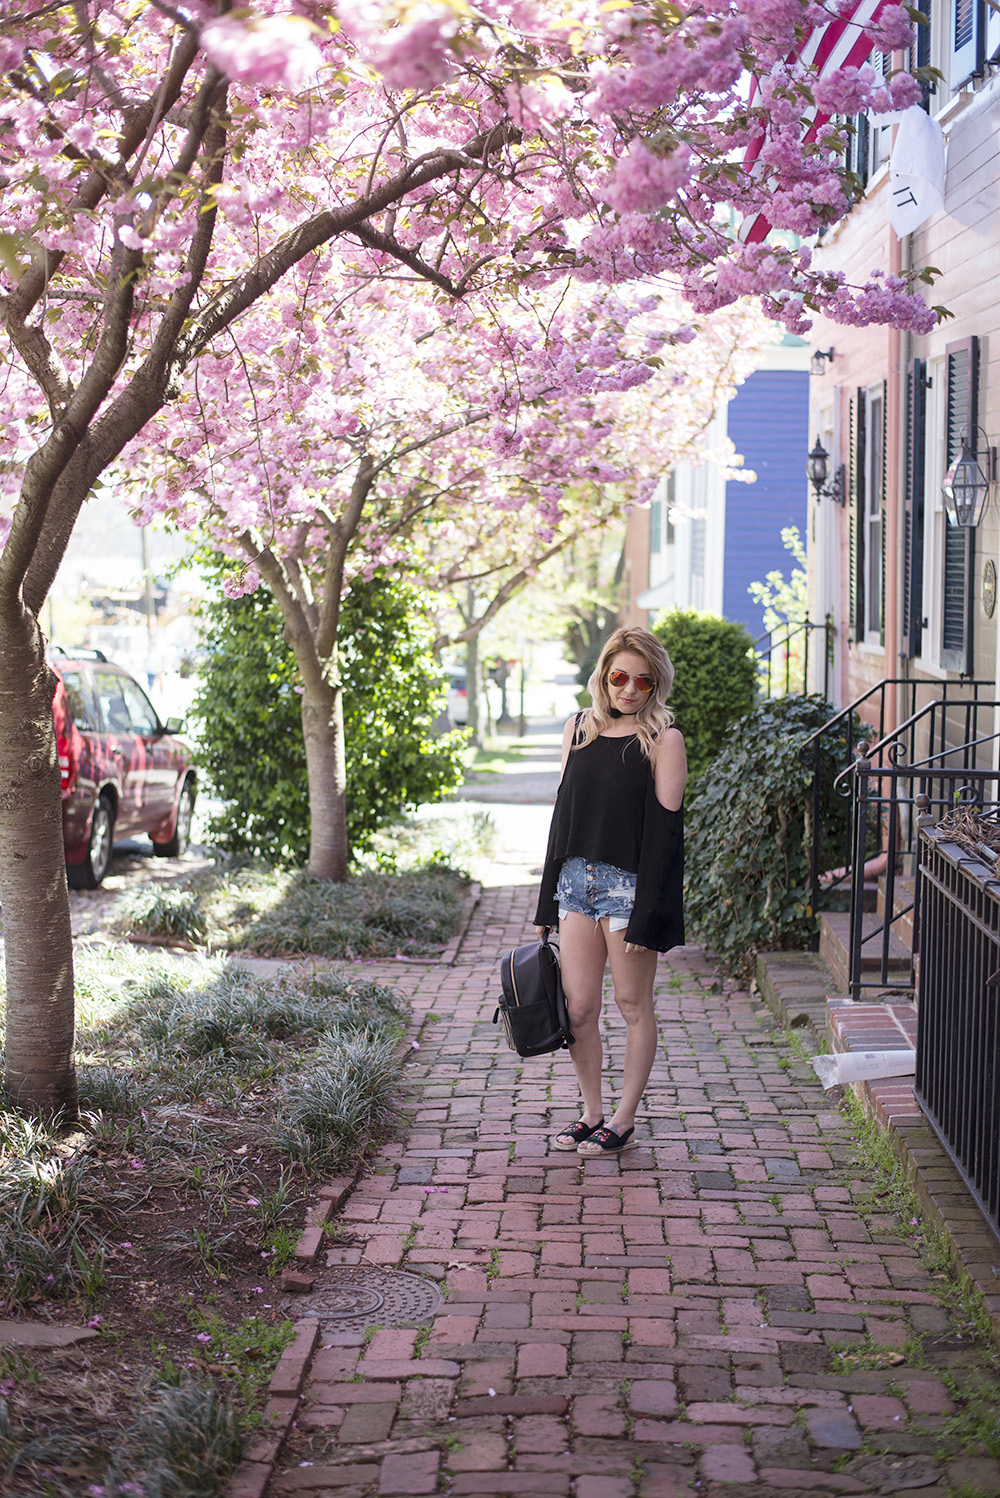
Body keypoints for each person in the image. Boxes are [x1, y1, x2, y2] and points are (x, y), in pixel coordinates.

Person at [534, 627, 686, 1155]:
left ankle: (623, 1118)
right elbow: (561, 819)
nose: (630, 688)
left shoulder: (663, 739)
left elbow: (666, 838)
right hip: (576, 884)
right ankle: (591, 1111)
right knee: (578, 1010)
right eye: (620, 676)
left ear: (654, 685)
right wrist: (545, 902)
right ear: (603, 676)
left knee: (631, 1003)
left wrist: (651, 913)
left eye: (642, 681)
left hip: (629, 890)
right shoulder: (578, 728)